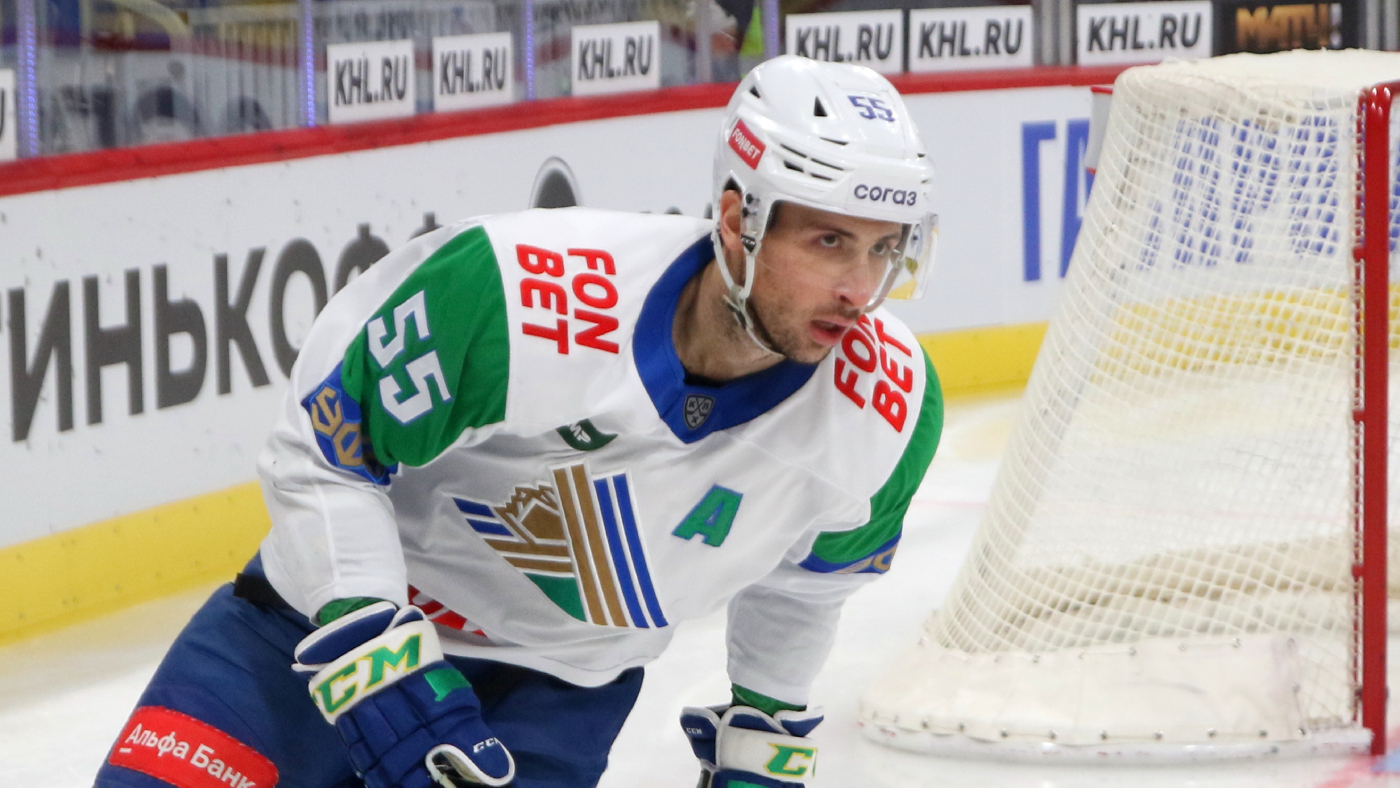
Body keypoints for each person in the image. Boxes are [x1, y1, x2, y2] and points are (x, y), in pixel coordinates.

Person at [94, 54, 943, 788]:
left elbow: (808, 584)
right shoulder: (516, 291)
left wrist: (762, 736)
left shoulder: (891, 407)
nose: (859, 290)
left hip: (555, 702)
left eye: (883, 248)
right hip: (303, 634)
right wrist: (375, 660)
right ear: (737, 222)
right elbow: (326, 451)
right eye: (829, 243)